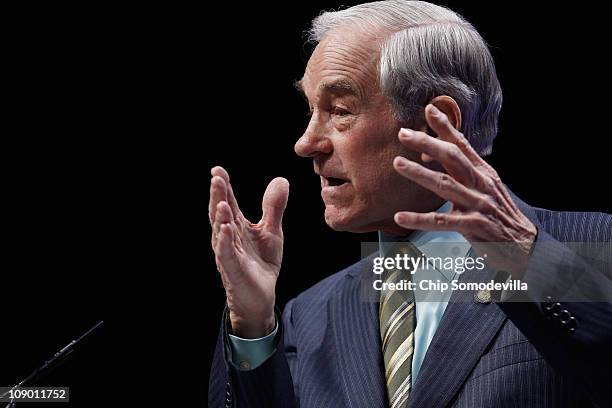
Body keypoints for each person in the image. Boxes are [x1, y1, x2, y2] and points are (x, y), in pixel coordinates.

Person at [207, 1, 612, 407]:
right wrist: (253, 323)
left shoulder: (595, 246)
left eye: (340, 110)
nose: (306, 142)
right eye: (311, 110)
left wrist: (524, 254)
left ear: (438, 125)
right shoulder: (308, 315)